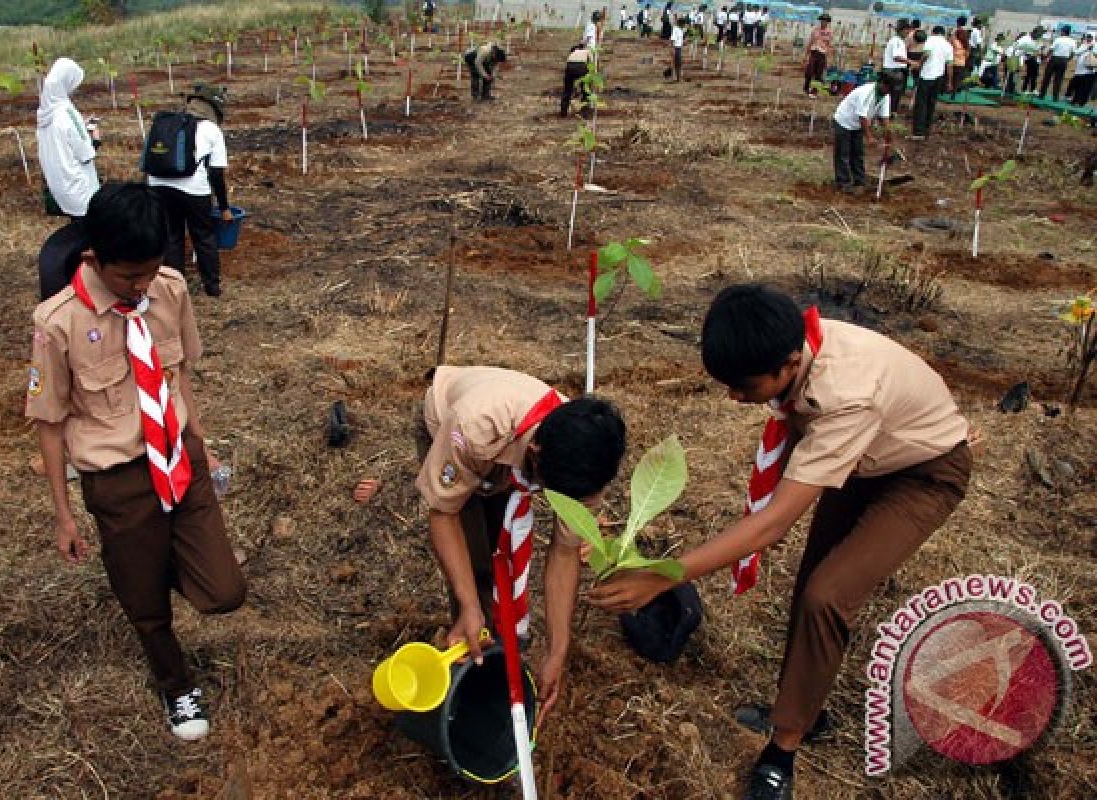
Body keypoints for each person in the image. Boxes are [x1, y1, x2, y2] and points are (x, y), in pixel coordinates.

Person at [589, 284, 974, 800]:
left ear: (789, 363)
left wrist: (664, 575)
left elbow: (773, 525)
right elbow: (787, 471)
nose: (732, 396)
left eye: (742, 385)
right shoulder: (800, 349)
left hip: (921, 475)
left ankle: (784, 746)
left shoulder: (846, 395)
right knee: (810, 583)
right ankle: (805, 708)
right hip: (862, 460)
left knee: (828, 594)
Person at [26, 182, 246, 742]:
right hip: (118, 479)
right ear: (94, 259)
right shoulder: (58, 323)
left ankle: (156, 558)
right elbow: (49, 422)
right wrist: (63, 514)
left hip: (177, 455)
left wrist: (201, 441)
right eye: (129, 277)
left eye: (151, 271)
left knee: (224, 592)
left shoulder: (168, 290)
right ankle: (176, 686)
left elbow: (176, 376)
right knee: (147, 608)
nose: (141, 286)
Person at [358, 367, 626, 725]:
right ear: (535, 452)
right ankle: (473, 674)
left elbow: (564, 552)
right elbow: (443, 514)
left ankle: (498, 647)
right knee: (476, 565)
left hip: (507, 459)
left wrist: (557, 651)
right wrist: (469, 603)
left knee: (502, 551)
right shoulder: (474, 428)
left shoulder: (585, 467)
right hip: (450, 430)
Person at [145, 84, 232, 299]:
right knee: (203, 236)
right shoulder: (212, 130)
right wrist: (223, 207)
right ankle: (212, 287)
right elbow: (216, 174)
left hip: (158, 185)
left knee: (172, 237)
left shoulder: (167, 123)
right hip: (194, 190)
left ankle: (176, 289)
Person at [37, 57, 101, 220]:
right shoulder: (67, 112)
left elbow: (61, 139)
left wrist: (80, 127)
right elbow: (85, 154)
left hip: (61, 189)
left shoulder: (45, 114)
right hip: (81, 191)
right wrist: (94, 138)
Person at [830, 73, 895, 192]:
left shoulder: (885, 95)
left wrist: (887, 131)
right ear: (881, 83)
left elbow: (884, 116)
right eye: (888, 88)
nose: (888, 91)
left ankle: (859, 180)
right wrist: (869, 137)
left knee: (857, 153)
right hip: (844, 121)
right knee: (843, 153)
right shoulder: (866, 92)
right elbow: (862, 116)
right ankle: (843, 182)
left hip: (857, 125)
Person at [911, 25, 954, 139]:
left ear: (933, 32)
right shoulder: (948, 45)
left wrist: (919, 63)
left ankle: (918, 132)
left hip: (927, 75)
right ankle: (926, 130)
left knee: (921, 104)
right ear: (943, 33)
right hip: (939, 77)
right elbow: (949, 65)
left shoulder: (930, 40)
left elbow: (926, 54)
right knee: (931, 103)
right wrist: (949, 82)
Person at [1040, 25, 1077, 103]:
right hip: (1064, 60)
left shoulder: (1058, 39)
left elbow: (1051, 50)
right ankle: (1055, 97)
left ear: (1063, 31)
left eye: (1062, 31)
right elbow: (1073, 53)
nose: (1061, 32)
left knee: (1047, 77)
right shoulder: (1073, 41)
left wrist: (1046, 57)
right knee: (1058, 79)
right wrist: (1067, 60)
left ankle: (1042, 95)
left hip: (1055, 59)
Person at [881, 19, 911, 113]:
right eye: (907, 30)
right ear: (902, 30)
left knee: (892, 94)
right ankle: (889, 113)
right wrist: (911, 62)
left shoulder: (899, 40)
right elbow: (897, 57)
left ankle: (888, 113)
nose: (908, 32)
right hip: (893, 72)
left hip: (894, 70)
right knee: (894, 95)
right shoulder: (897, 41)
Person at [803, 14, 833, 96]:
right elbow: (810, 42)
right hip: (814, 52)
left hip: (822, 54)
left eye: (825, 21)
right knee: (809, 71)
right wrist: (806, 55)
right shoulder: (815, 30)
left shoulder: (829, 33)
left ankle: (814, 91)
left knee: (818, 74)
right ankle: (806, 87)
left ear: (827, 23)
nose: (824, 23)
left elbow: (829, 45)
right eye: (822, 21)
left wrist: (829, 58)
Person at [561, 43, 592, 117]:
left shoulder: (573, 51)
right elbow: (591, 64)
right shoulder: (587, 51)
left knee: (567, 90)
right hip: (581, 66)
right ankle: (585, 112)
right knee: (585, 90)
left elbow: (568, 63)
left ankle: (563, 112)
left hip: (569, 66)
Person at [1017, 27, 1044, 94]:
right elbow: (1018, 47)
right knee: (1028, 74)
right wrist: (1026, 54)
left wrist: (1040, 51)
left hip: (1035, 58)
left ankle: (1032, 89)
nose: (1040, 35)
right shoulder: (1026, 38)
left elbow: (1038, 49)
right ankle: (1024, 89)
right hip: (1027, 58)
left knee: (1034, 74)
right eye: (1040, 34)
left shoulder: (1037, 40)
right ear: (1035, 32)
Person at [1072, 34, 1096, 107]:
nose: (1089, 39)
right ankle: (1075, 100)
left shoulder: (1095, 45)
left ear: (1092, 38)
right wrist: (1087, 48)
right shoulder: (1083, 45)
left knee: (1086, 88)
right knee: (1078, 86)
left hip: (1090, 70)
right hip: (1080, 70)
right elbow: (1076, 52)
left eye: (1090, 37)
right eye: (1088, 37)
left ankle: (1081, 102)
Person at [950, 17, 970, 97]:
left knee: (950, 75)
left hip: (953, 59)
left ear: (958, 22)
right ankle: (954, 93)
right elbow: (968, 51)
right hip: (961, 60)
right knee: (957, 78)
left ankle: (947, 89)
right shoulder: (966, 37)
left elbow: (950, 45)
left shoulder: (955, 37)